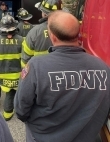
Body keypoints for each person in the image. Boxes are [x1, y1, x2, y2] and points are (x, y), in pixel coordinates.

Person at [14, 10, 110, 142]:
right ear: (78, 33)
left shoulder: (36, 66)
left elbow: (21, 109)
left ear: (53, 37)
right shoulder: (103, 67)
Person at [0, 14, 23, 121]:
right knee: (10, 92)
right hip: (14, 73)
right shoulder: (22, 40)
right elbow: (26, 56)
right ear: (14, 27)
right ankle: (7, 114)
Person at [21, 0, 62, 68]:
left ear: (44, 13)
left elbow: (25, 61)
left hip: (40, 74)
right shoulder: (66, 29)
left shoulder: (34, 32)